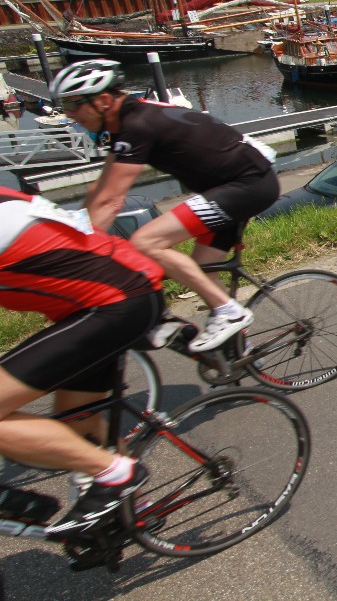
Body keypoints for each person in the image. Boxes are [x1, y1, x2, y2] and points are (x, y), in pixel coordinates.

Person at [48, 59, 279, 353]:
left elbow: (111, 200)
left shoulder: (136, 125)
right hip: (232, 186)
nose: (68, 114)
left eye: (73, 104)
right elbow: (101, 187)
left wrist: (81, 252)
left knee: (145, 241)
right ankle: (240, 351)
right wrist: (77, 228)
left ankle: (229, 312)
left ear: (103, 100)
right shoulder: (125, 122)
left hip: (247, 185)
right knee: (201, 270)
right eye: (65, 105)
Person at [0, 187, 162, 537]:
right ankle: (132, 510)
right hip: (111, 299)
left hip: (114, 303)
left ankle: (117, 475)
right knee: (78, 419)